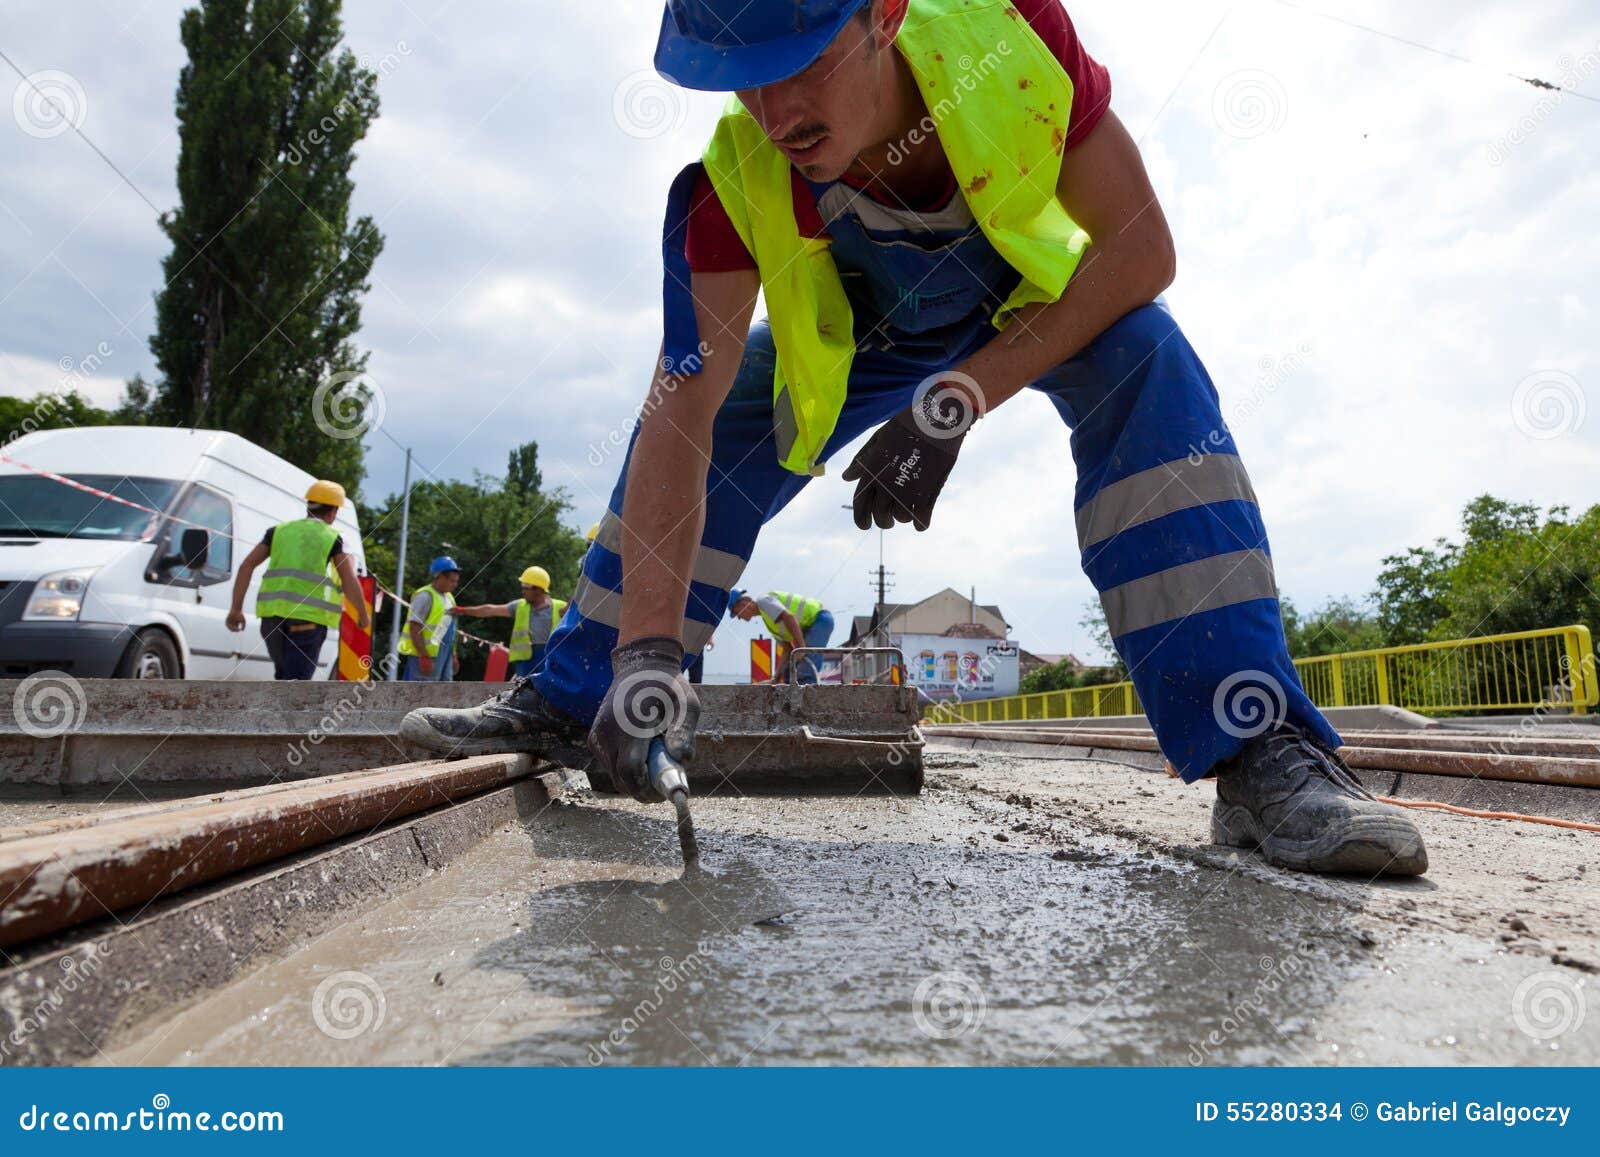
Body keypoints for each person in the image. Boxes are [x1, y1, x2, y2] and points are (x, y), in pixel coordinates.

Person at [401, 0, 1427, 877]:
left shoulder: (1010, 39)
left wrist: (954, 400)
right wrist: (651, 656)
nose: (775, 112)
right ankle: (589, 693)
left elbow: (1139, 249)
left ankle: (1257, 753)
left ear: (883, 14)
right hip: (861, 341)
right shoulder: (732, 183)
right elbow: (679, 406)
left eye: (799, 66)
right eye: (744, 79)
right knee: (728, 411)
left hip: (1023, 308)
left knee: (1146, 356)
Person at [227, 480, 370, 680]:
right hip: (307, 621)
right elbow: (348, 578)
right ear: (333, 512)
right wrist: (362, 614)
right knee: (296, 686)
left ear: (309, 506)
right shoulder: (333, 538)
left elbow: (246, 566)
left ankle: (277, 711)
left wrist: (236, 609)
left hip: (271, 621)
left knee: (284, 678)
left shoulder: (277, 531)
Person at [451, 566, 569, 678]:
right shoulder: (519, 606)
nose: (522, 590)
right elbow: (490, 610)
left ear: (538, 589)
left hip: (550, 658)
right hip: (525, 661)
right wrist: (464, 610)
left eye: (525, 586)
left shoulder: (561, 608)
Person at [727, 588, 832, 684]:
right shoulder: (769, 621)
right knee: (789, 674)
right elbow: (787, 649)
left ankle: (809, 701)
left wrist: (801, 647)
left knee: (806, 672)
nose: (739, 618)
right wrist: (776, 678)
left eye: (736, 613)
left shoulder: (763, 601)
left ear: (743, 603)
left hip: (819, 617)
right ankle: (792, 701)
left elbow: (789, 617)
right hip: (811, 624)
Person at [397, 556, 461, 681]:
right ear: (441, 577)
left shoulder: (449, 598)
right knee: (420, 694)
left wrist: (453, 655)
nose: (455, 585)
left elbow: (451, 630)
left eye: (456, 581)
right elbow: (414, 627)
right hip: (426, 655)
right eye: (452, 581)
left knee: (443, 693)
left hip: (444, 655)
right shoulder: (425, 596)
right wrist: (423, 656)